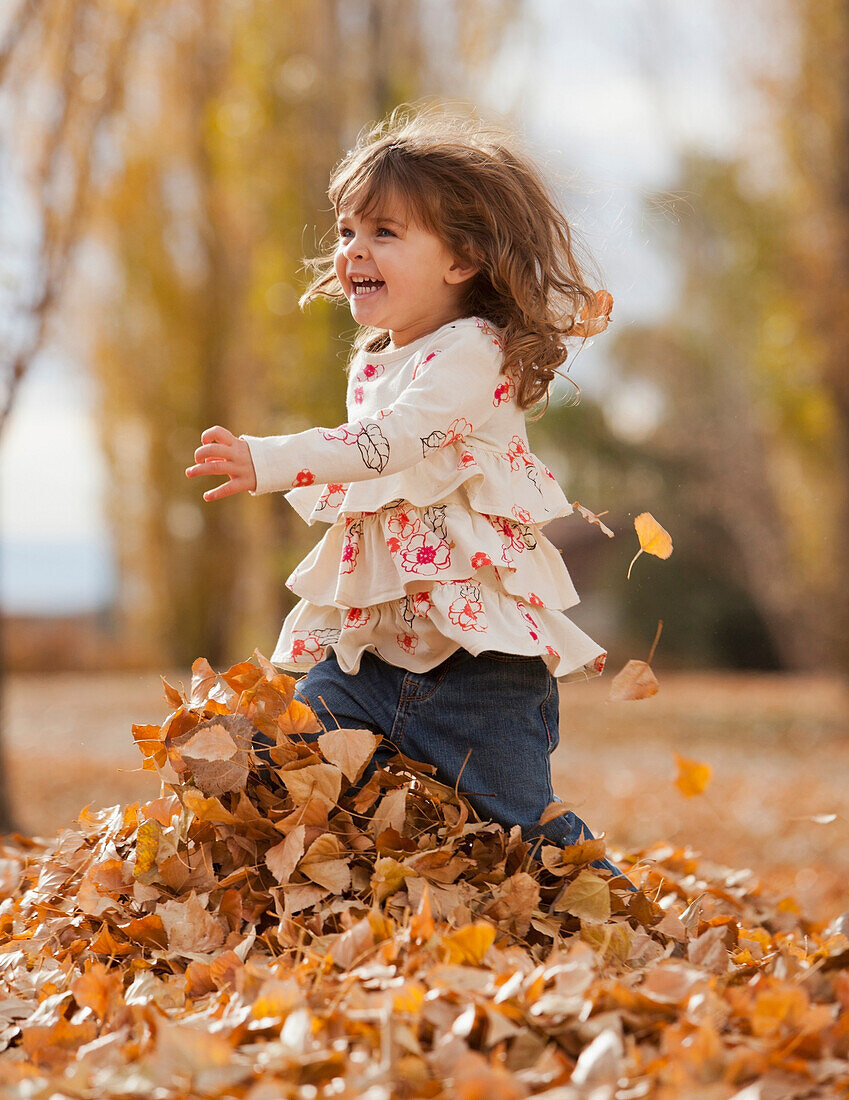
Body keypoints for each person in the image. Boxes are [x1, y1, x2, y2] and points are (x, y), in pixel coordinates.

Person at [186, 107, 628, 881]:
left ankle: (629, 923)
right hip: (368, 657)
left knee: (524, 838)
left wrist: (271, 457)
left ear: (462, 259)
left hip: (478, 670)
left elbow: (389, 444)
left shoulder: (474, 352)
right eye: (347, 231)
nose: (354, 249)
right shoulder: (373, 356)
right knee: (271, 760)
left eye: (385, 232)